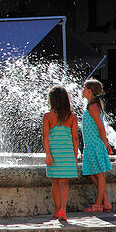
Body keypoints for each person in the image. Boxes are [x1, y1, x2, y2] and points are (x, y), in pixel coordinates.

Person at [42, 84, 80, 220]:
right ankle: (63, 209)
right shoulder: (72, 117)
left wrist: (48, 154)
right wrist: (75, 155)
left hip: (54, 154)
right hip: (67, 154)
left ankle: (57, 209)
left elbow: (45, 136)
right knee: (64, 183)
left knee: (55, 182)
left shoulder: (48, 116)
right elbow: (75, 137)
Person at [80, 79, 115, 212]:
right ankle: (105, 202)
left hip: (95, 144)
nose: (82, 90)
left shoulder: (92, 107)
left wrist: (105, 144)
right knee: (90, 172)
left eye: (84, 88)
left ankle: (98, 204)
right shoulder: (92, 105)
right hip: (91, 145)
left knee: (99, 174)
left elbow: (101, 128)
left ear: (89, 91)